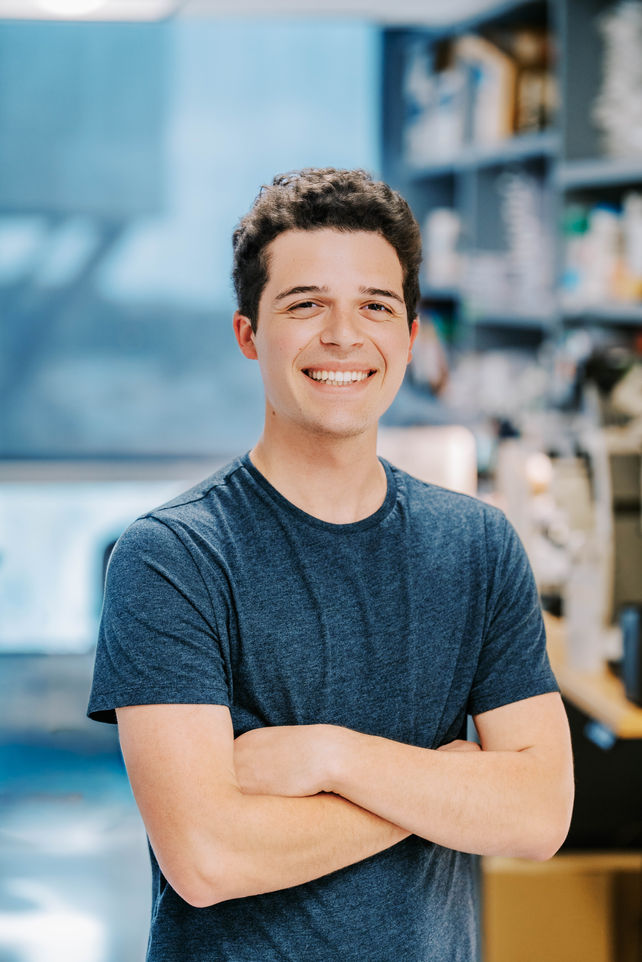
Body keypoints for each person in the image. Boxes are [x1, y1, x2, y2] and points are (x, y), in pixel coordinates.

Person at [88, 168, 574, 962]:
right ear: (249, 334)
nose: (345, 336)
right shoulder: (171, 558)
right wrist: (443, 790)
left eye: (376, 306)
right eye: (305, 304)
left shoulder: (478, 547)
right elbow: (210, 859)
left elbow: (541, 815)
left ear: (411, 337)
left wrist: (331, 758)